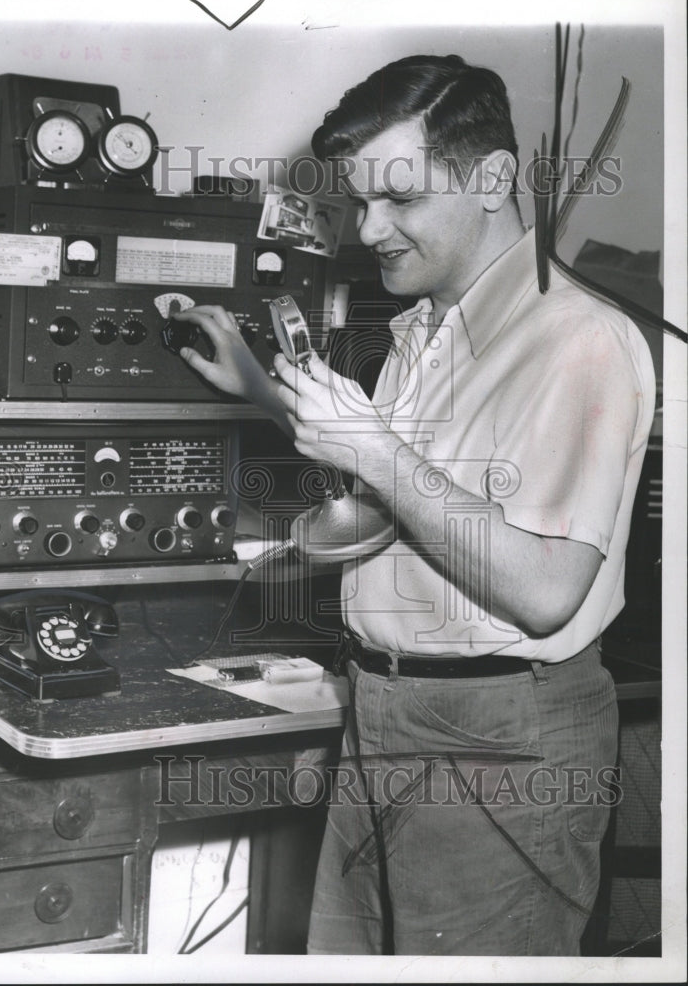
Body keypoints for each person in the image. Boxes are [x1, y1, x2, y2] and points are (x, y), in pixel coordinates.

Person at [177, 55, 656, 956]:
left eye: (399, 199)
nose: (371, 229)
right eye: (361, 203)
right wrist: (261, 390)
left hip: (501, 737)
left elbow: (546, 588)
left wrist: (375, 452)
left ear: (494, 179)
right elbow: (409, 496)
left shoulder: (579, 341)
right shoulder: (428, 323)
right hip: (383, 706)